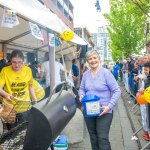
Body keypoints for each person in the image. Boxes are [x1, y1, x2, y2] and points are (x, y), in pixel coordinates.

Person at [78, 50, 121, 150]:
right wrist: (81, 95)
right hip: (89, 111)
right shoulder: (85, 74)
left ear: (99, 59)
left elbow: (117, 90)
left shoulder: (106, 73)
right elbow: (82, 88)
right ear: (87, 61)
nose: (93, 61)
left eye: (95, 58)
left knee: (102, 138)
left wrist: (109, 106)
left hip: (104, 111)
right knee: (93, 137)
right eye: (90, 59)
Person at [0, 50, 37, 129]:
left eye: (19, 62)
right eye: (14, 62)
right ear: (10, 61)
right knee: (11, 131)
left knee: (23, 130)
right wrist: (6, 94)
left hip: (24, 105)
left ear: (23, 61)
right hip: (9, 107)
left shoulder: (28, 70)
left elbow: (30, 86)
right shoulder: (5, 70)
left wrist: (35, 100)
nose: (17, 65)